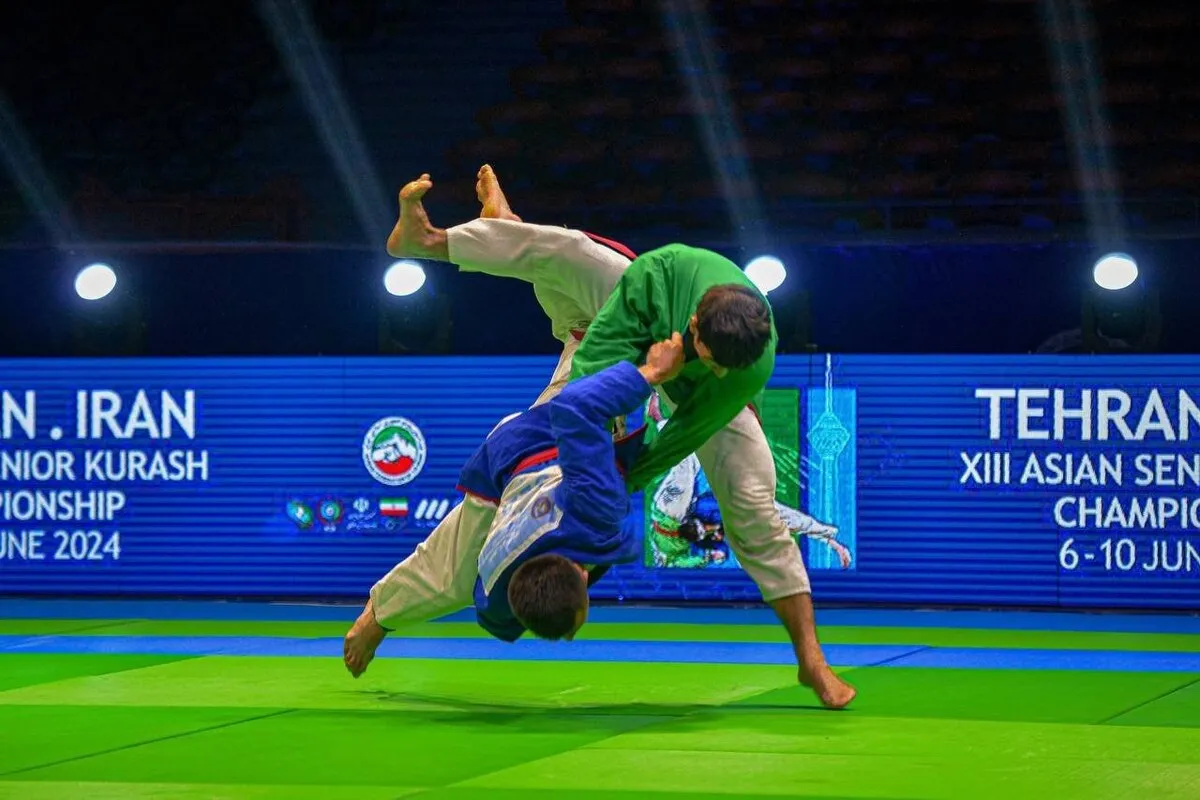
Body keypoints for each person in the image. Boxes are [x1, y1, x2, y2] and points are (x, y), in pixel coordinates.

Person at [373, 165, 855, 709]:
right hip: (630, 340)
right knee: (571, 256)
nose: (718, 370)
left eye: (727, 367)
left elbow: (682, 436)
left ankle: (811, 659)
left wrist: (615, 480)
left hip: (686, 390)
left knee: (752, 504)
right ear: (695, 324)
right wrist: (595, 444)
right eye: (712, 359)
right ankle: (432, 240)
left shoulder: (744, 367)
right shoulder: (652, 278)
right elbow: (589, 378)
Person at [343, 334, 685, 675]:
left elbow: (578, 409)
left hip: (531, 445)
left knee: (452, 580)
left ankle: (587, 333)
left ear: (581, 576)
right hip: (517, 472)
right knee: (454, 584)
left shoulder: (596, 509)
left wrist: (652, 372)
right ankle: (583, 332)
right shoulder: (495, 604)